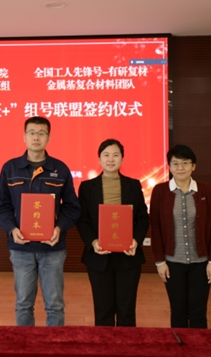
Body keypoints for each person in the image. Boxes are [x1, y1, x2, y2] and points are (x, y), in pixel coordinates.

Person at [0, 116, 81, 326]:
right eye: (32, 133)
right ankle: (26, 343)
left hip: (52, 248)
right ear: (24, 137)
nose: (36, 137)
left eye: (41, 133)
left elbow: (72, 206)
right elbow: (1, 205)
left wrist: (59, 228)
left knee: (55, 305)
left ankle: (54, 343)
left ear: (48, 138)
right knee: (23, 304)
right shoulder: (10, 168)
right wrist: (11, 229)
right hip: (21, 248)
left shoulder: (60, 169)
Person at [76, 139, 149, 326]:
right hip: (99, 256)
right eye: (106, 155)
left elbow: (142, 217)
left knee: (127, 310)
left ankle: (126, 344)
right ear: (99, 159)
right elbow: (82, 220)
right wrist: (93, 242)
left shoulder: (133, 185)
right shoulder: (87, 187)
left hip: (128, 256)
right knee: (103, 310)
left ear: (122, 159)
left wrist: (136, 240)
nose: (111, 159)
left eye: (115, 155)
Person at [149, 144, 211, 328]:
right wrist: (159, 261)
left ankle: (199, 345)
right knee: (178, 311)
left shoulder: (206, 190)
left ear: (193, 166)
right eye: (175, 163)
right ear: (169, 167)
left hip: (201, 263)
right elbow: (155, 228)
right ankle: (179, 344)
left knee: (198, 312)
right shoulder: (160, 191)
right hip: (172, 263)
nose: (180, 168)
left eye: (185, 163)